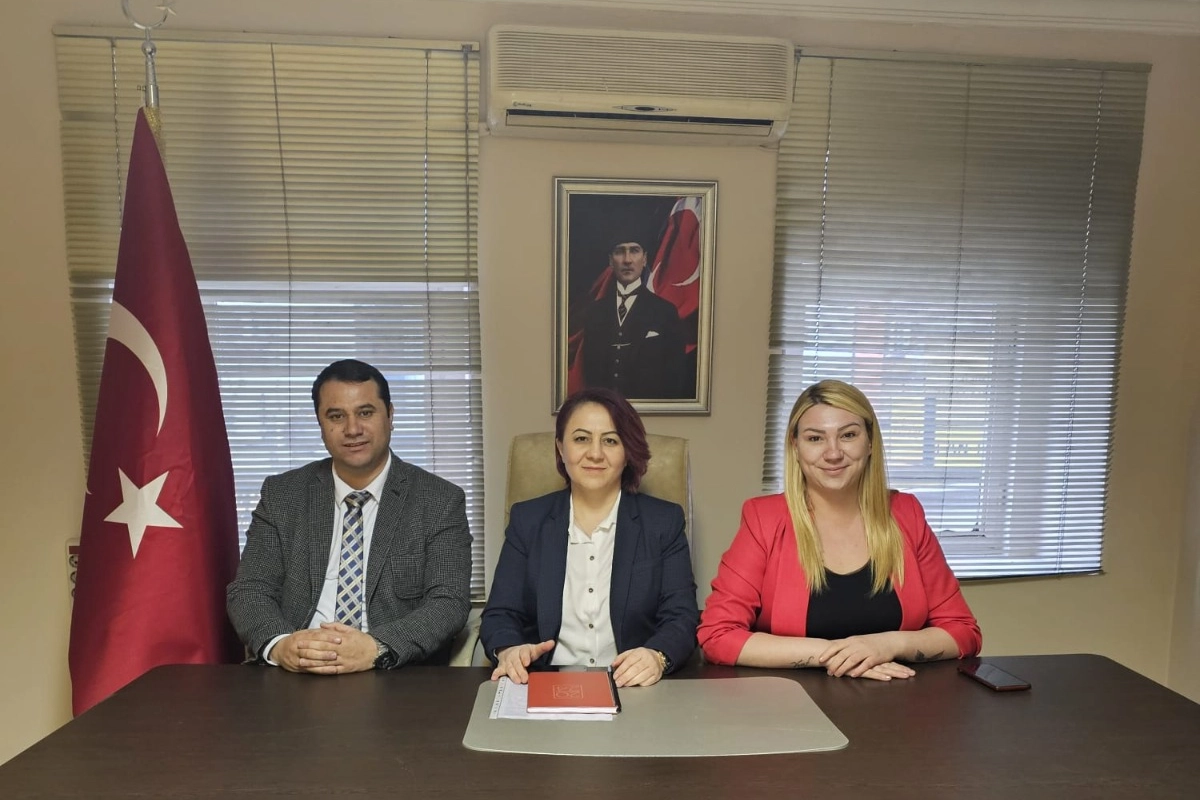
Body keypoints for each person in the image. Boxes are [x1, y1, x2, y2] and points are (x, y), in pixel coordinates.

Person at [698, 380, 981, 680]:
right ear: (795, 447)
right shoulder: (764, 519)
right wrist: (838, 654)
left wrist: (885, 645)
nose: (833, 453)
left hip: (899, 698)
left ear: (870, 442)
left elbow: (963, 631)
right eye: (815, 438)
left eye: (848, 435)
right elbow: (717, 635)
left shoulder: (905, 513)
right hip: (791, 702)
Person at [226, 359, 471, 674]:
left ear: (390, 416)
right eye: (336, 416)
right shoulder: (283, 495)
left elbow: (449, 602)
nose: (353, 429)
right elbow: (250, 589)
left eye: (365, 413)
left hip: (393, 673)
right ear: (320, 424)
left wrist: (376, 648)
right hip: (296, 671)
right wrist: (283, 645)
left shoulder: (438, 500)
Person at [481, 387, 698, 687]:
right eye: (581, 439)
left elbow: (682, 616)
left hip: (633, 686)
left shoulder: (663, 522)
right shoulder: (528, 520)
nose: (595, 453)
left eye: (610, 440)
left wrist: (656, 657)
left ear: (628, 452)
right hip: (544, 683)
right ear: (560, 448)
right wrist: (509, 651)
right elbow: (500, 613)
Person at [577, 236, 691, 400]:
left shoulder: (665, 312)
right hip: (606, 409)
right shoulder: (594, 313)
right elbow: (590, 374)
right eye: (619, 251)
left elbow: (675, 376)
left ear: (644, 259)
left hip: (650, 411)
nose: (627, 260)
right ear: (610, 261)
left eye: (634, 251)